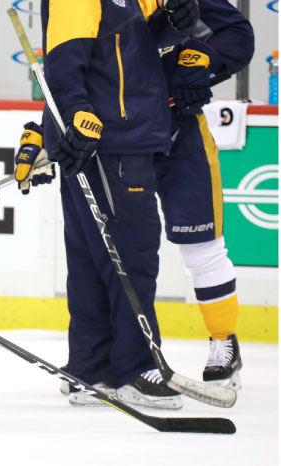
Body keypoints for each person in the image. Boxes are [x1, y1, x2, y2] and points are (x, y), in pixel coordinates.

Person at [13, 0, 201, 409]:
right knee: (131, 258)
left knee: (94, 259)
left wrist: (166, 27)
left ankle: (90, 369)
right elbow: (65, 59)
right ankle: (136, 370)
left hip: (115, 137)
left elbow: (127, 53)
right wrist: (76, 111)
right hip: (113, 138)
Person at [149, 0, 254, 390]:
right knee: (121, 251)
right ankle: (118, 353)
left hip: (181, 132)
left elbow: (238, 35)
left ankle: (224, 341)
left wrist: (204, 59)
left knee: (202, 246)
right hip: (119, 137)